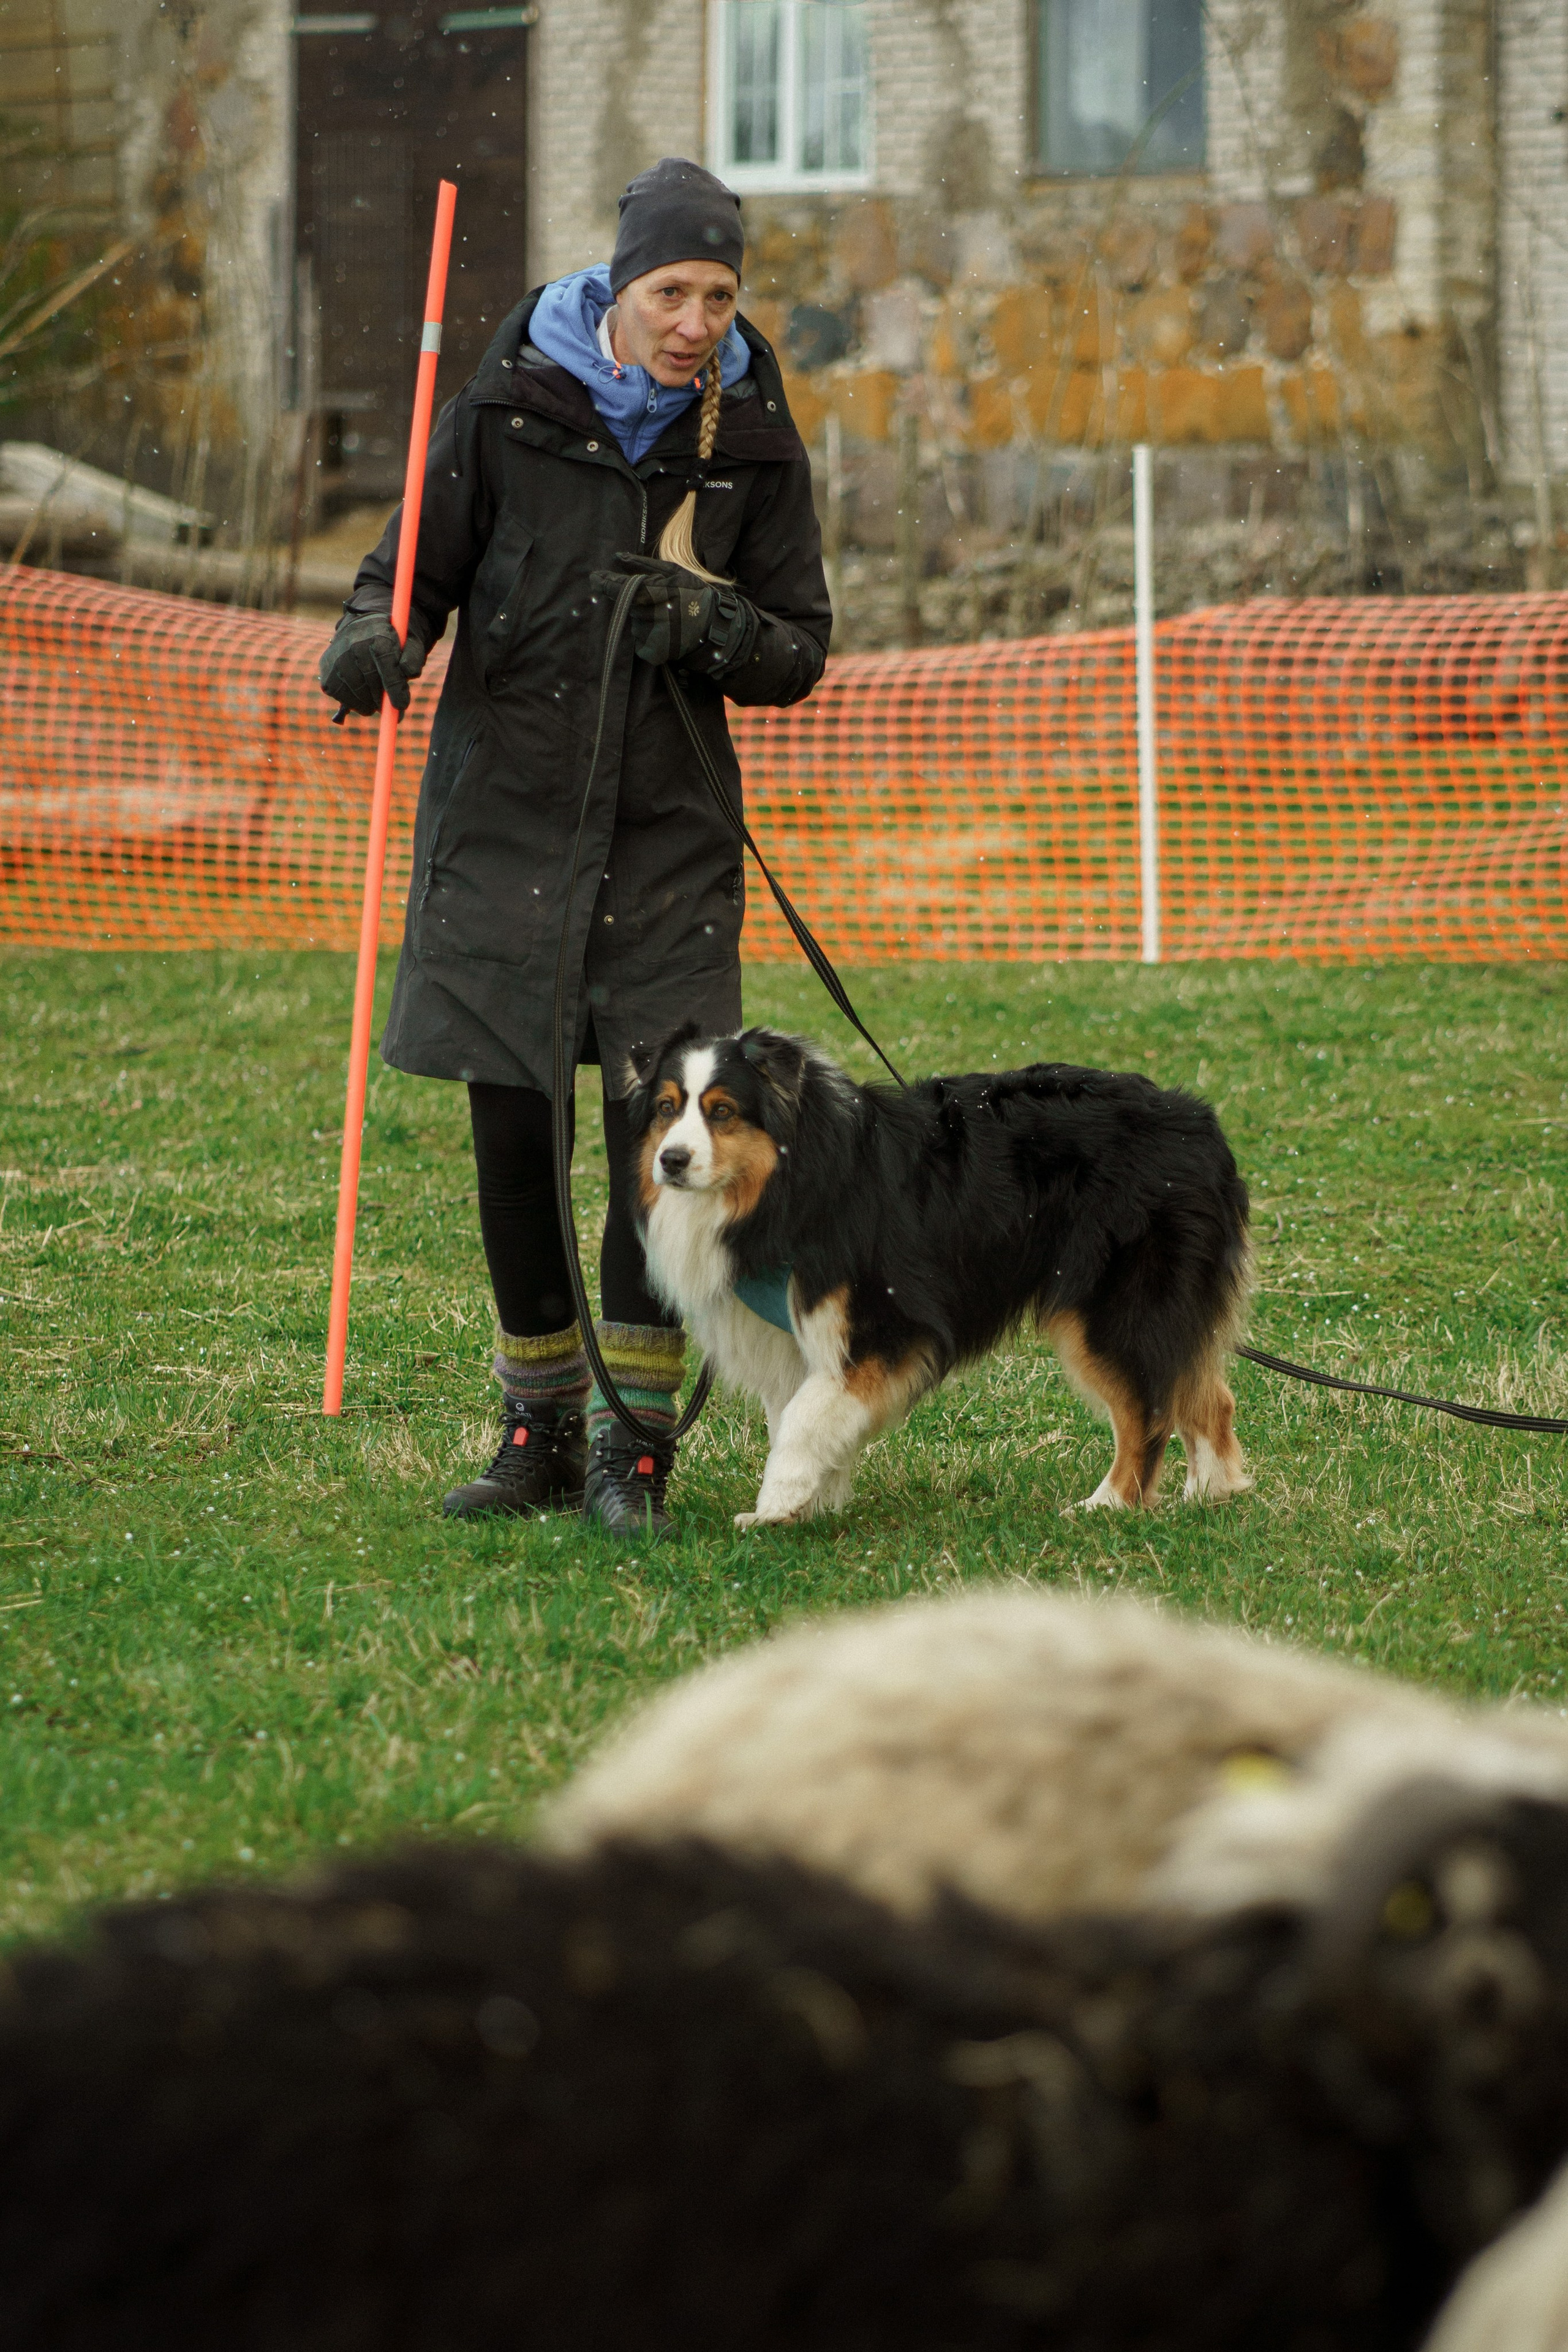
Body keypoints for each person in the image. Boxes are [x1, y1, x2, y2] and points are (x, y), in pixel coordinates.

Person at [318, 157, 831, 1541]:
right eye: (672, 290)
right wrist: (377, 639)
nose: (694, 319)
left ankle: (636, 1450)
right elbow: (408, 564)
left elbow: (798, 649)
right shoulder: (506, 407)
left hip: (666, 839)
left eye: (718, 294)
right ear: (619, 287)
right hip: (506, 820)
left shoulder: (749, 439)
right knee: (512, 1135)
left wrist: (705, 624)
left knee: (656, 1149)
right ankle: (537, 1430)